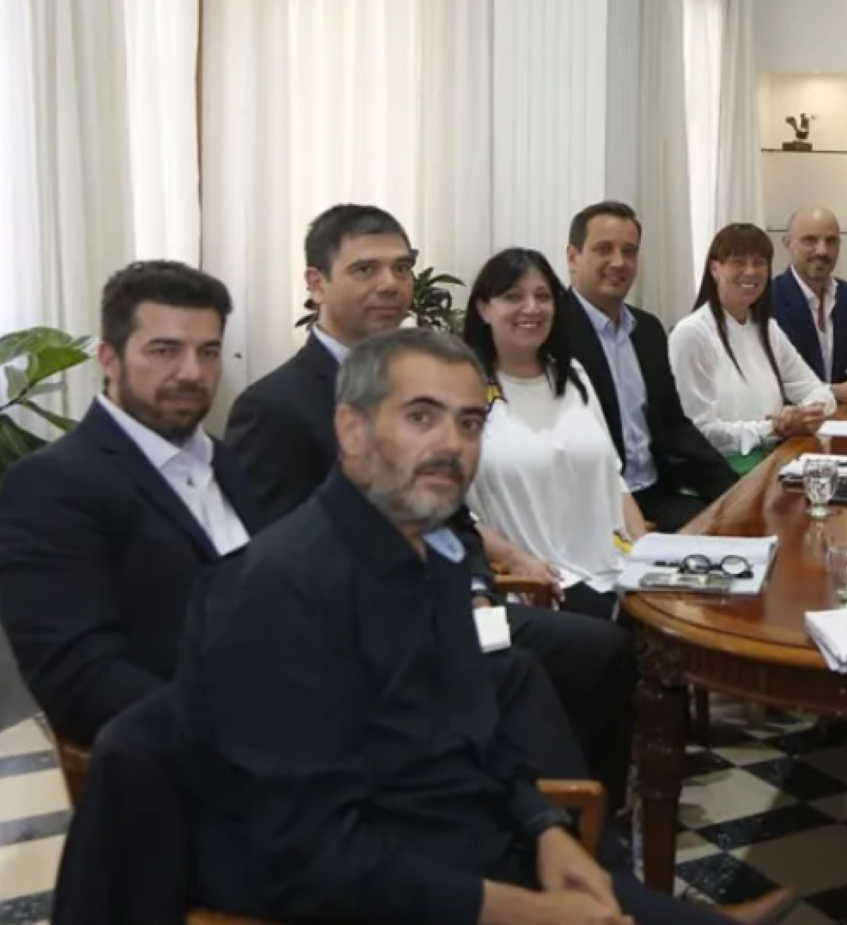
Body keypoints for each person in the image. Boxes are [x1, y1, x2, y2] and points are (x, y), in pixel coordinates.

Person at [175, 329, 794, 925]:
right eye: (421, 417)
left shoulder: (434, 557)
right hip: (366, 888)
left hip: (459, 841)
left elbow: (476, 734)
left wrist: (546, 829)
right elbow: (307, 851)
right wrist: (523, 910)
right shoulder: (273, 589)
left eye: (470, 423)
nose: (453, 445)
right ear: (351, 429)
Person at [224, 205, 636, 809]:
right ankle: (544, 844)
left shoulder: (425, 382)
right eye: (365, 268)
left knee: (600, 651)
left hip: (451, 604)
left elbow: (452, 516)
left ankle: (590, 830)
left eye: (401, 267)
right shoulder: (276, 407)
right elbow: (268, 563)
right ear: (316, 283)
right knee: (516, 676)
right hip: (362, 633)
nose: (390, 284)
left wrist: (473, 585)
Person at [0, 261, 263, 747]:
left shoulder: (223, 463)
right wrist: (238, 731)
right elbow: (79, 679)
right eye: (164, 351)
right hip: (178, 772)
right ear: (109, 358)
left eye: (208, 352)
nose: (192, 372)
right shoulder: (51, 485)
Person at [461, 247, 649, 624]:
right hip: (542, 583)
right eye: (513, 296)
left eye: (543, 296)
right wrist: (516, 560)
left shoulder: (573, 375)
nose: (532, 308)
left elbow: (614, 478)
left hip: (617, 567)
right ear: (483, 309)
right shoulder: (462, 391)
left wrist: (648, 550)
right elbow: (453, 515)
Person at [560, 201, 739, 530]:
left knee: (740, 535)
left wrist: (737, 491)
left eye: (629, 251)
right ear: (573, 258)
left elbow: (674, 427)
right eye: (604, 249)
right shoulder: (551, 331)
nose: (619, 262)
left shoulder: (647, 330)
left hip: (656, 493)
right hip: (587, 504)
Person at [668, 223, 837, 473]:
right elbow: (697, 431)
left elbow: (819, 391)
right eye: (738, 262)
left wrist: (803, 414)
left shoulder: (768, 329)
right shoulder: (692, 334)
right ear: (715, 269)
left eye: (759, 263)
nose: (751, 271)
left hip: (774, 463)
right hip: (717, 475)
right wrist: (770, 428)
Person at [771, 206, 847, 403]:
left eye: (830, 241)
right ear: (788, 244)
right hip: (792, 422)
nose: (822, 250)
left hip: (845, 419)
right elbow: (770, 381)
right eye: (810, 240)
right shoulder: (768, 299)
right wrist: (834, 392)